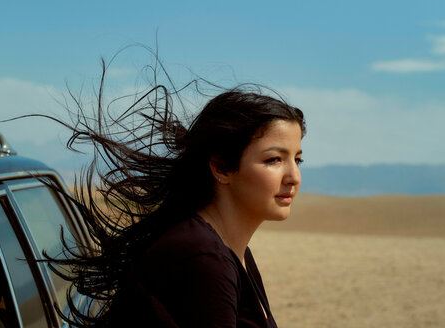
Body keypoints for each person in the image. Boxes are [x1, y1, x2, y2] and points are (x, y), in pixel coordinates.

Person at [50, 59, 305, 327]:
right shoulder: (203, 260)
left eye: (297, 160)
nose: (294, 177)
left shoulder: (229, 251)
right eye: (274, 160)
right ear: (222, 167)